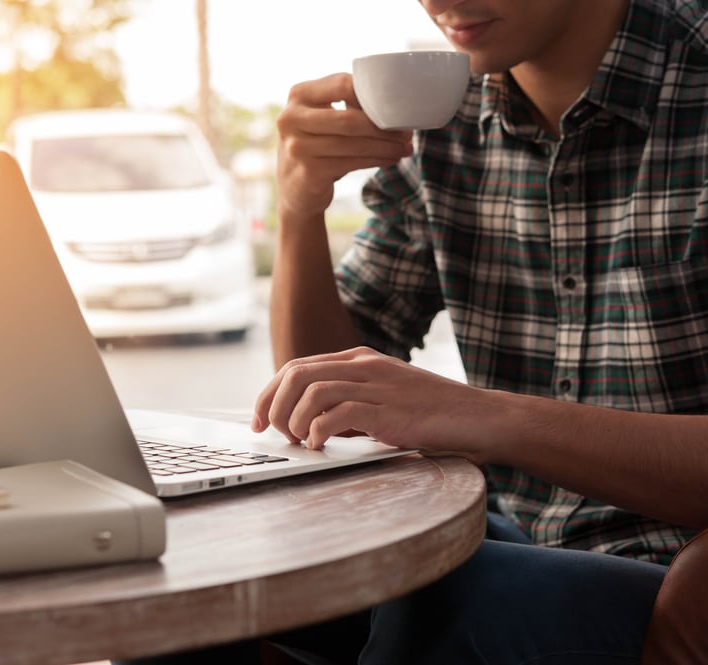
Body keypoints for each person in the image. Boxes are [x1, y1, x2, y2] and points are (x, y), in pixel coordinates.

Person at [117, 0, 708, 663]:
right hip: (505, 533)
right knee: (182, 584)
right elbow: (328, 396)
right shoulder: (443, 112)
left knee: (450, 597)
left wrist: (477, 415)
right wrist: (299, 209)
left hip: (667, 568)